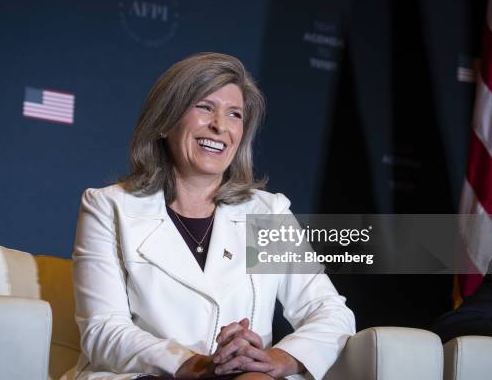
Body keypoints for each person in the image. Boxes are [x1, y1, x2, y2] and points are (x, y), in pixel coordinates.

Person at [72, 52, 355, 380]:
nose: (220, 126)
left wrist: (280, 358)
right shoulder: (108, 207)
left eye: (234, 114)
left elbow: (330, 311)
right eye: (205, 107)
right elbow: (103, 331)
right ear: (165, 121)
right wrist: (195, 364)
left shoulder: (266, 212)